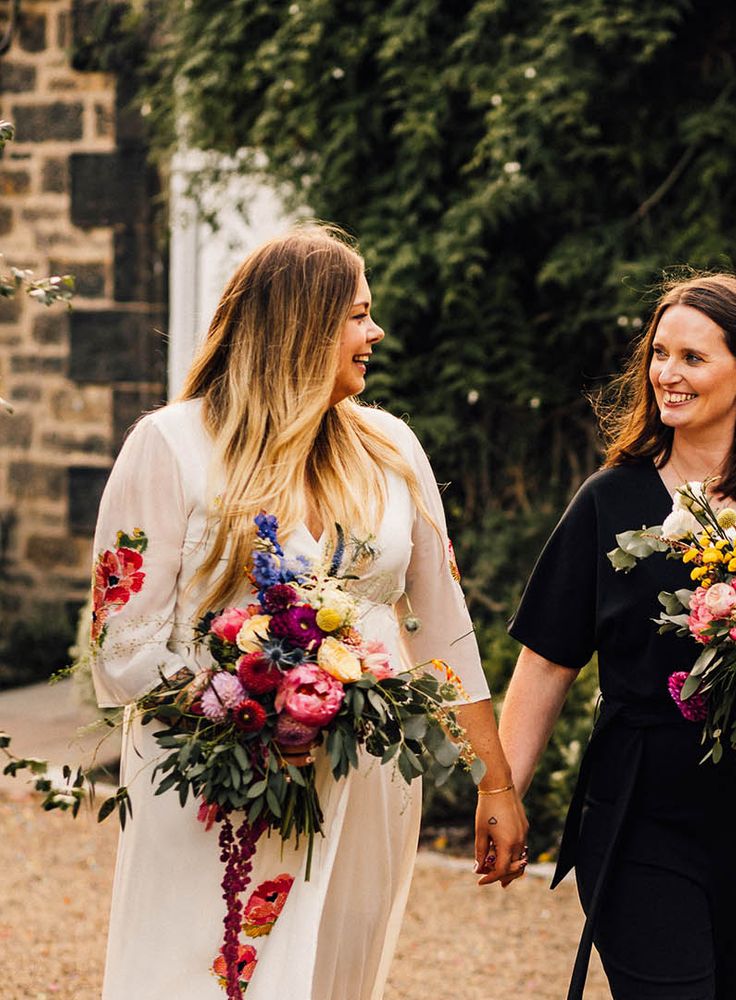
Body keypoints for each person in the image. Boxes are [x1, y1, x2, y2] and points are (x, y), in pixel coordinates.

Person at [90, 224, 527, 1000]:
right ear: (301, 325)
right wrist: (247, 701)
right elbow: (121, 645)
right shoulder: (172, 446)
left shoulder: (391, 449)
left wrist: (495, 784)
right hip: (217, 781)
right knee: (205, 975)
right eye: (358, 315)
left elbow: (442, 621)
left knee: (333, 975)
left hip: (366, 776)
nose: (375, 333)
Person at [499, 273, 736, 1000]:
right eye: (659, 354)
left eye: (693, 358)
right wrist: (501, 794)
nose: (667, 374)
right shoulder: (609, 500)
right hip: (642, 810)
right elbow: (546, 663)